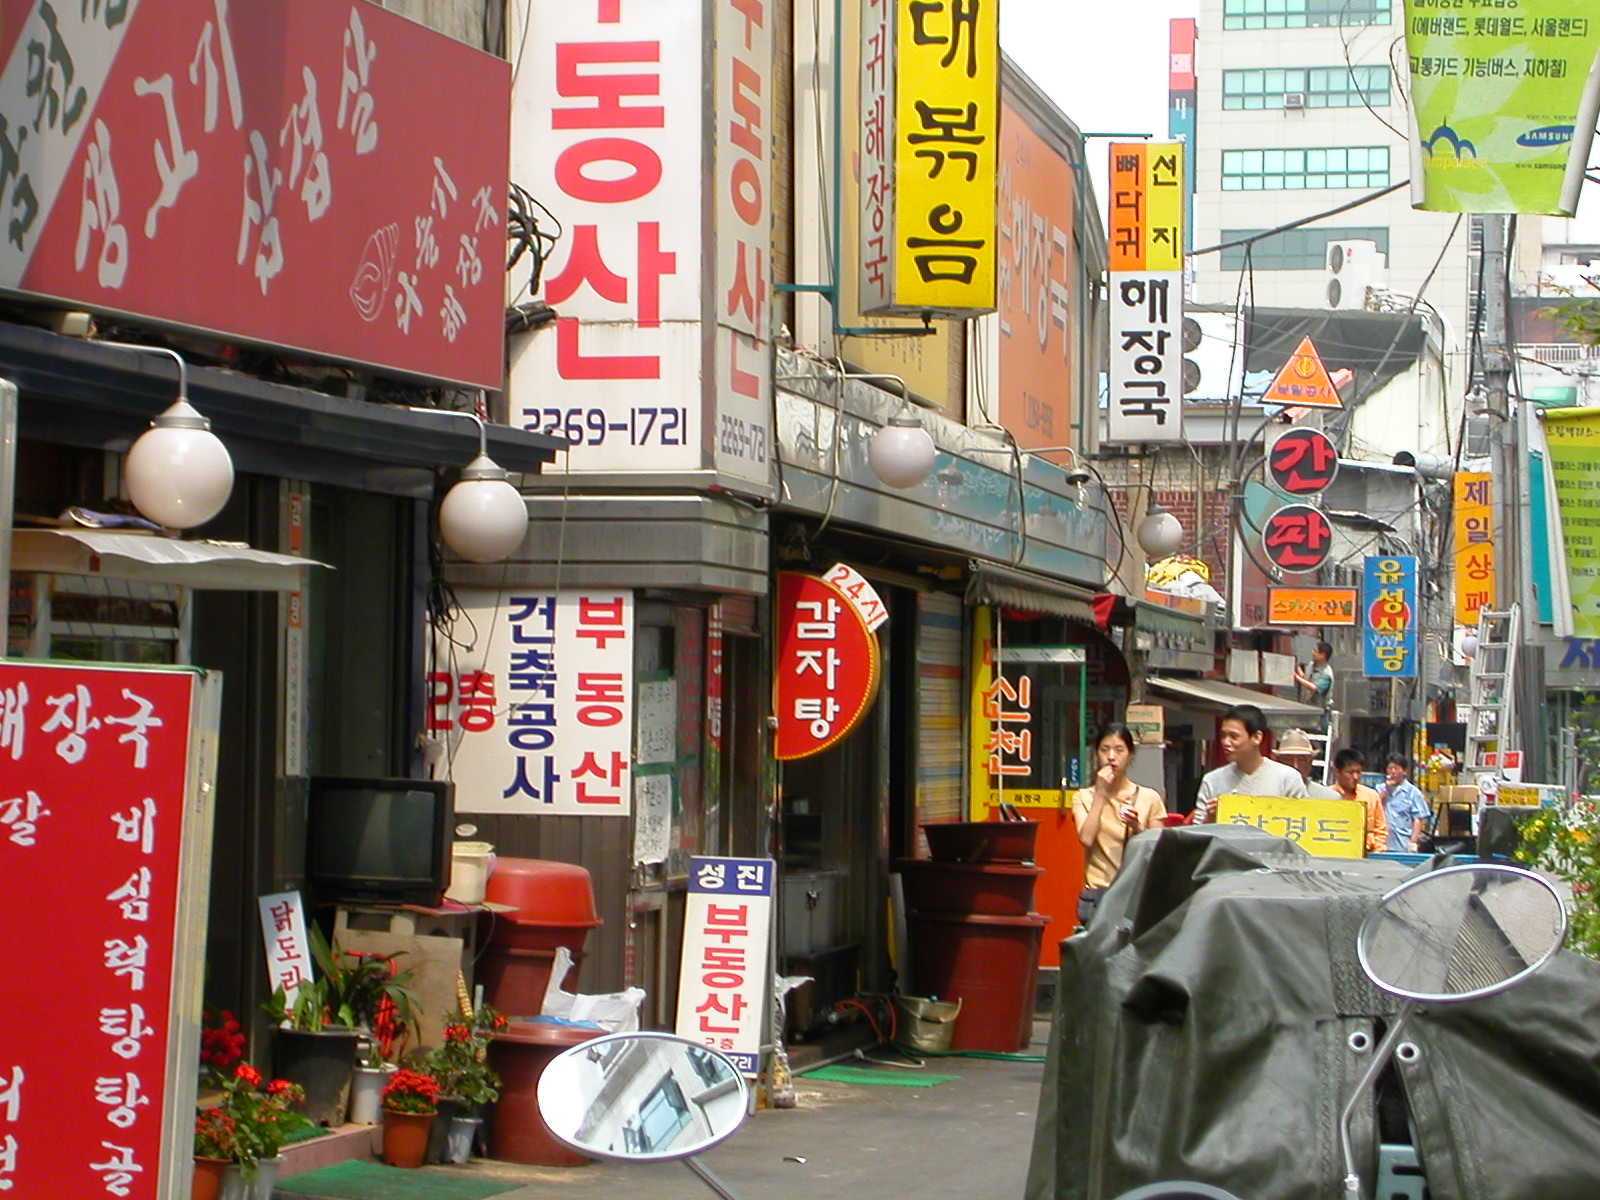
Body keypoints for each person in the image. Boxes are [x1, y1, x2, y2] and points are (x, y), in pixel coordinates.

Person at [1072, 722, 1167, 925]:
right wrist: (1100, 794)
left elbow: (1159, 849)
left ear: (1130, 754)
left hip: (1135, 894)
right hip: (1098, 893)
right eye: (1104, 750)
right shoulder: (1083, 797)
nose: (1111, 757)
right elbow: (1086, 839)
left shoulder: (1149, 797)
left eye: (1119, 750)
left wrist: (1137, 827)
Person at [1195, 703, 1308, 822]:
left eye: (1233, 736)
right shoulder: (1212, 780)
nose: (1226, 742)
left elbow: (1305, 823)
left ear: (1257, 737)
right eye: (1223, 736)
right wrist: (1210, 818)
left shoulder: (1287, 778)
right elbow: (1196, 834)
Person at [1333, 747, 1388, 854]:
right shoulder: (1326, 797)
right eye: (1350, 772)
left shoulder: (1371, 796)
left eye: (1358, 772)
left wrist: (1376, 849)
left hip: (1368, 855)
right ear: (1337, 772)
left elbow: (1380, 830)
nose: (1355, 777)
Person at [1379, 753, 1431, 853]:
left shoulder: (1413, 793)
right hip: (1382, 844)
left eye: (1396, 768)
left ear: (1404, 771)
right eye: (1390, 768)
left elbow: (1418, 819)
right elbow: (1373, 809)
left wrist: (1413, 842)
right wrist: (1385, 791)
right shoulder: (1380, 789)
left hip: (1402, 845)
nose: (1393, 772)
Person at [1273, 728, 1341, 799]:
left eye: (1301, 760)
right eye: (1288, 759)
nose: (1295, 766)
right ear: (1278, 761)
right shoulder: (1266, 793)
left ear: (1310, 762)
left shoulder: (1329, 798)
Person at [1294, 641, 1335, 725]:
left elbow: (1314, 687)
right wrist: (1296, 666)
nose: (1312, 653)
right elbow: (1306, 678)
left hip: (1319, 717)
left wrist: (1297, 678)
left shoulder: (1327, 674)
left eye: (1315, 651)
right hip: (1306, 711)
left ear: (1322, 655)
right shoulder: (1311, 665)